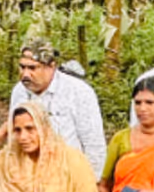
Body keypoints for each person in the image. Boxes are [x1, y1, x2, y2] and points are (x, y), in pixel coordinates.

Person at [7, 38, 107, 178]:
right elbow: (14, 135)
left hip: (68, 176)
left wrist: (92, 181)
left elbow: (93, 143)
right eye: (22, 67)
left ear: (51, 66)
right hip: (30, 176)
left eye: (32, 68)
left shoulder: (78, 92)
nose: (25, 74)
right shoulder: (19, 91)